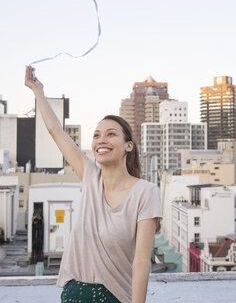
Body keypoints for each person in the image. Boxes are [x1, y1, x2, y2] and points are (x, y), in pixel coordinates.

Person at [24, 66, 162, 303]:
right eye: (97, 135)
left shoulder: (146, 192)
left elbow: (141, 262)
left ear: (128, 146)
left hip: (115, 297)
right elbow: (55, 130)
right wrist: (38, 91)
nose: (101, 140)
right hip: (73, 295)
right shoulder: (90, 176)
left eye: (110, 134)